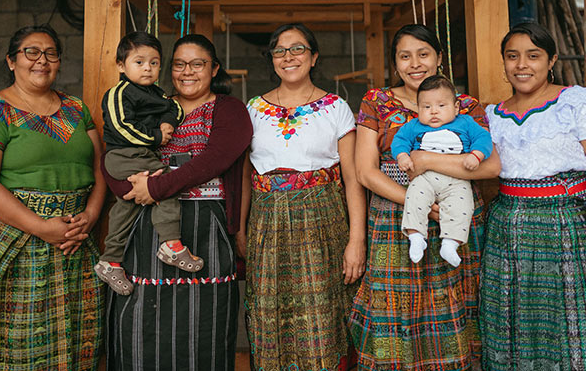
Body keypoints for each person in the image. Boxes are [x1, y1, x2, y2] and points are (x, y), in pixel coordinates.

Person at [480, 23, 586, 370]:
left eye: (533, 56)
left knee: (576, 328)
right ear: (504, 62)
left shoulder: (577, 103)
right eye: (513, 56)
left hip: (569, 225)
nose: (522, 65)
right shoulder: (492, 115)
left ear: (551, 60)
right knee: (514, 327)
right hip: (508, 229)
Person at [0, 24, 106, 370]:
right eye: (31, 52)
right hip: (17, 237)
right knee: (16, 337)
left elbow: (99, 169)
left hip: (74, 240)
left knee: (78, 334)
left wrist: (91, 216)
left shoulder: (76, 109)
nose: (42, 61)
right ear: (11, 61)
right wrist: (41, 227)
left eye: (51, 53)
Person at [348, 24, 501, 370]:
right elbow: (365, 171)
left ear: (439, 58)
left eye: (423, 54)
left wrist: (429, 162)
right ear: (394, 63)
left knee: (449, 304)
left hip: (456, 212)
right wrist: (418, 202)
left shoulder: (465, 105)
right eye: (405, 56)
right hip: (393, 215)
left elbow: (491, 166)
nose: (414, 64)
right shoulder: (376, 102)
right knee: (393, 306)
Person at [101, 33, 251, 371]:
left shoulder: (230, 109)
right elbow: (116, 149)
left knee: (205, 327)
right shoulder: (153, 104)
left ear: (213, 68)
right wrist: (126, 185)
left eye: (197, 64)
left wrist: (155, 187)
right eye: (179, 64)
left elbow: (213, 161)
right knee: (140, 321)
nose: (187, 72)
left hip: (207, 227)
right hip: (147, 226)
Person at [241, 23, 367, 371]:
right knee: (269, 313)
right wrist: (240, 230)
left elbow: (353, 179)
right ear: (272, 59)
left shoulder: (335, 107)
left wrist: (357, 240)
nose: (288, 57)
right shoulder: (253, 109)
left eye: (297, 49)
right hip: (266, 223)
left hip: (322, 220)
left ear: (313, 57)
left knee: (321, 316)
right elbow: (245, 177)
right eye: (280, 51)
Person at [96, 31, 202, 297]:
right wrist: (157, 135)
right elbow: (121, 127)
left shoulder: (156, 93)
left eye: (154, 63)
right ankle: (170, 243)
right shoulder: (118, 93)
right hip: (124, 154)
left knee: (127, 205)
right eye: (139, 62)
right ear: (121, 65)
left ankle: (110, 260)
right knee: (163, 185)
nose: (148, 68)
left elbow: (175, 108)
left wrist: (168, 122)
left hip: (140, 155)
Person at [392, 75, 493, 267]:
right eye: (426, 107)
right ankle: (416, 237)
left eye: (441, 106)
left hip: (457, 178)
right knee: (413, 198)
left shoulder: (466, 123)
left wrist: (476, 155)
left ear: (456, 107)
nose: (433, 112)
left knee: (462, 205)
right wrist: (402, 156)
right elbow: (400, 140)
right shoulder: (414, 126)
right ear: (418, 109)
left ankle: (450, 243)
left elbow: (483, 138)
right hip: (424, 177)